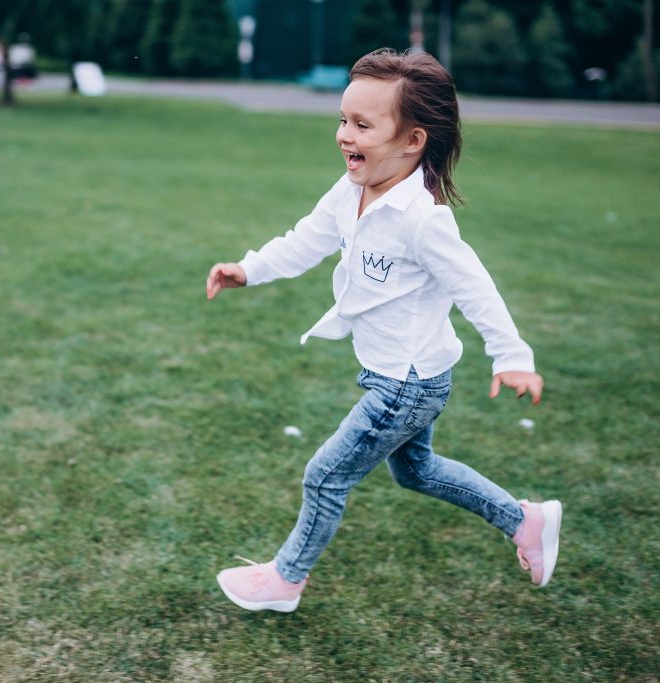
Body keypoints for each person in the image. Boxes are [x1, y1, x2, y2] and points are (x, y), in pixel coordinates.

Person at [205, 48, 561, 614]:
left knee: (325, 475)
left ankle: (285, 580)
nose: (344, 134)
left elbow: (476, 287)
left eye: (362, 124)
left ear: (412, 140)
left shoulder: (422, 220)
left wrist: (511, 356)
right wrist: (248, 269)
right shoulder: (350, 192)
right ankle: (525, 521)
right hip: (395, 373)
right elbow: (306, 240)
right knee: (416, 471)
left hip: (407, 383)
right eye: (343, 119)